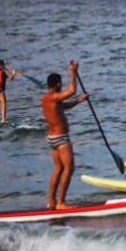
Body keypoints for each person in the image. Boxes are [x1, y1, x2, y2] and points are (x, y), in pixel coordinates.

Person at [42, 61, 88, 210]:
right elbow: (72, 90)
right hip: (61, 139)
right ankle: (61, 202)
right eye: (60, 83)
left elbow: (64, 106)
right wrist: (73, 72)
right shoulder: (54, 97)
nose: (62, 85)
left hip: (52, 139)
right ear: (57, 84)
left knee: (58, 169)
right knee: (69, 168)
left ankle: (51, 202)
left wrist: (79, 101)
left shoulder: (48, 99)